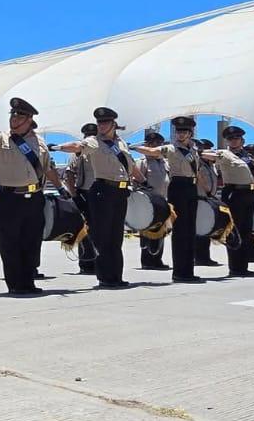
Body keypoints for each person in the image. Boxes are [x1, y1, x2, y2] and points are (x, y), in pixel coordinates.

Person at [0, 98, 64, 295]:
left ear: (29, 119)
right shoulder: (2, 138)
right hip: (9, 198)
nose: (14, 118)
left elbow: (48, 168)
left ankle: (28, 281)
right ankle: (15, 284)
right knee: (10, 242)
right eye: (12, 115)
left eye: (19, 115)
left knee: (32, 241)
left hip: (34, 197)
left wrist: (61, 189)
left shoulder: (39, 143)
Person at [54, 108, 143, 289]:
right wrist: (58, 147)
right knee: (103, 236)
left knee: (116, 236)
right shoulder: (94, 141)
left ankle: (116, 276)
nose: (102, 126)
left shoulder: (122, 144)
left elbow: (131, 166)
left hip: (120, 192)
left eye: (105, 123)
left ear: (114, 125)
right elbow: (78, 146)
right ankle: (105, 277)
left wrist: (144, 182)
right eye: (99, 123)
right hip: (102, 191)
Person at [134, 117, 208, 281]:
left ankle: (189, 270)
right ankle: (180, 272)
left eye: (184, 132)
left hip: (191, 188)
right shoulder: (171, 148)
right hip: (179, 188)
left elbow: (200, 168)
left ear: (190, 133)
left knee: (190, 231)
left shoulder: (194, 150)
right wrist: (132, 147)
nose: (180, 135)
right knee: (181, 231)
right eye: (178, 131)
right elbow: (153, 152)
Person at [199, 126, 254, 277]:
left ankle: (243, 266)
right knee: (234, 230)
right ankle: (235, 267)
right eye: (230, 139)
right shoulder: (224, 154)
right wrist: (198, 151)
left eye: (236, 138)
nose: (233, 141)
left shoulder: (247, 156)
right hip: (234, 193)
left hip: (249, 193)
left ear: (242, 140)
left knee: (246, 231)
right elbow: (206, 154)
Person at [63, 122, 99, 275]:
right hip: (83, 192)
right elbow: (69, 174)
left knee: (99, 229)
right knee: (84, 230)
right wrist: (74, 195)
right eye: (87, 135)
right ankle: (86, 263)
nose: (89, 138)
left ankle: (99, 261)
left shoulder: (100, 151)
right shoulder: (77, 153)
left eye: (92, 135)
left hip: (99, 193)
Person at [135, 128, 171, 270]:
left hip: (162, 201)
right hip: (148, 203)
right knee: (147, 231)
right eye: (151, 143)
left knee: (160, 231)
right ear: (147, 145)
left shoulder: (165, 162)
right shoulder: (142, 162)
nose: (154, 145)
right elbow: (137, 181)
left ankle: (157, 259)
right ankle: (147, 260)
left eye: (158, 143)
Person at [193, 138, 223, 266]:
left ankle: (205, 256)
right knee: (200, 229)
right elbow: (199, 179)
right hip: (200, 198)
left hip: (208, 199)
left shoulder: (211, 165)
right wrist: (207, 191)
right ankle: (200, 257)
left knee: (207, 228)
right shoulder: (198, 163)